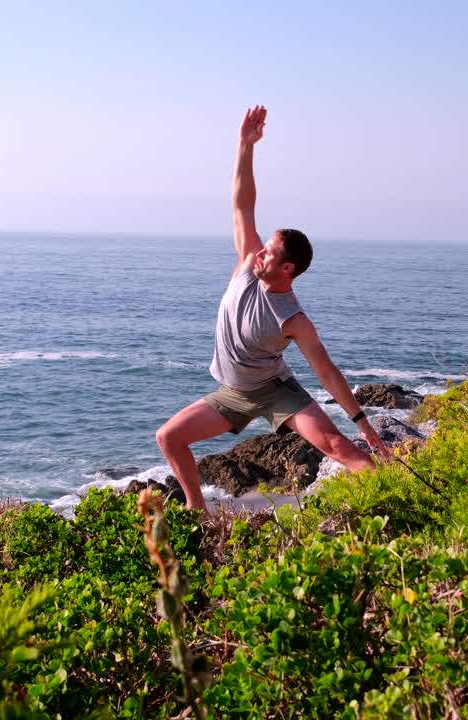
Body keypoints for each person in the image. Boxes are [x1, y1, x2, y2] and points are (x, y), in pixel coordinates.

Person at [156, 105, 388, 511]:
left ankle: (391, 504)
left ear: (288, 268)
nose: (259, 252)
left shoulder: (294, 319)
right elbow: (242, 204)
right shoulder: (247, 266)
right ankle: (197, 511)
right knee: (169, 437)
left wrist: (363, 424)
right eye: (262, 248)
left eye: (270, 252)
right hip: (234, 393)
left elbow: (327, 372)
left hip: (275, 392)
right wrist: (245, 146)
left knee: (338, 447)